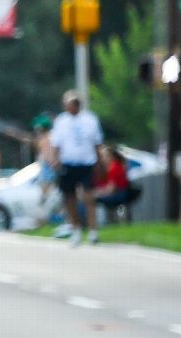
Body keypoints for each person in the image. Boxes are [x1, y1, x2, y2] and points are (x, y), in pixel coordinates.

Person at [50, 89, 103, 246]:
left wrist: (99, 163)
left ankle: (93, 230)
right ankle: (76, 229)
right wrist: (55, 160)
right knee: (70, 198)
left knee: (88, 197)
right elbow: (56, 144)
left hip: (86, 162)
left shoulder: (90, 120)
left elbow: (97, 143)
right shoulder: (61, 122)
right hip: (68, 163)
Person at [95, 145, 135, 226]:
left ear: (111, 157)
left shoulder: (114, 167)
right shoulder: (114, 166)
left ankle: (101, 223)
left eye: (104, 156)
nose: (102, 159)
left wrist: (97, 193)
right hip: (121, 193)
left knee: (92, 199)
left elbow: (112, 189)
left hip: (119, 195)